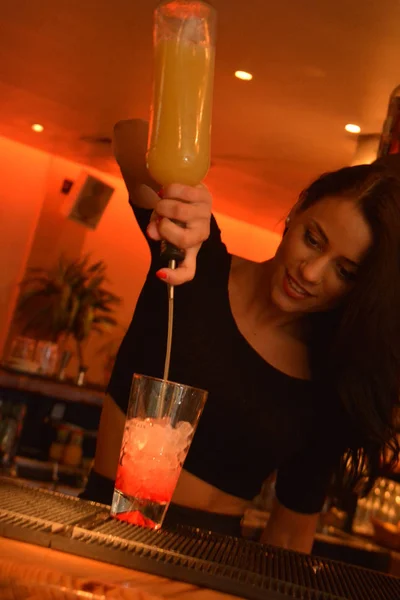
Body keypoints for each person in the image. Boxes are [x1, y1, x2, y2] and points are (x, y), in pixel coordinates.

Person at [81, 119, 400, 553]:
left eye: (344, 272)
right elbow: (128, 136)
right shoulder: (194, 257)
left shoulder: (329, 384)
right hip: (94, 537)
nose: (310, 272)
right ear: (295, 215)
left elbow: (290, 534)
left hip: (208, 572)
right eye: (313, 239)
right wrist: (184, 189)